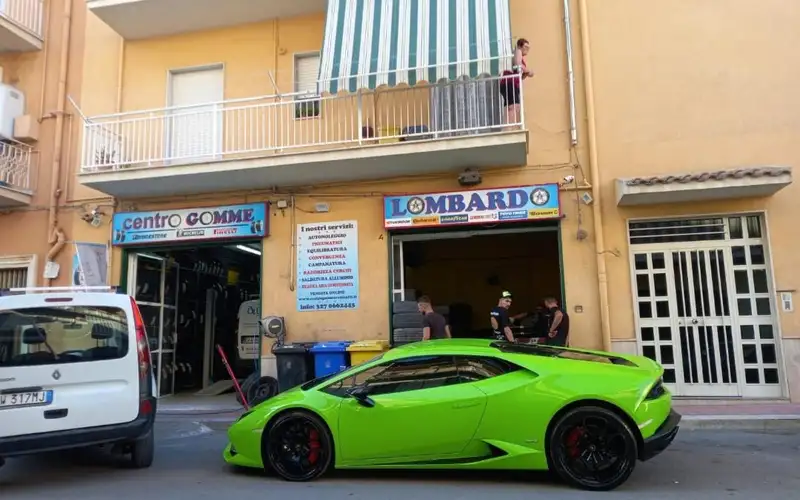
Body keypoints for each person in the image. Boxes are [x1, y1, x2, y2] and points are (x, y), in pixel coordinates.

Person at [499, 38, 534, 127]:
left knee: (512, 106)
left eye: (528, 48)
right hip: (510, 83)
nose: (527, 49)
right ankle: (510, 128)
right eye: (525, 46)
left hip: (510, 83)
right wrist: (528, 70)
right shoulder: (518, 51)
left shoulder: (517, 54)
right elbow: (518, 64)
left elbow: (519, 74)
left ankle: (509, 127)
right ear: (520, 46)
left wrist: (526, 73)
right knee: (513, 107)